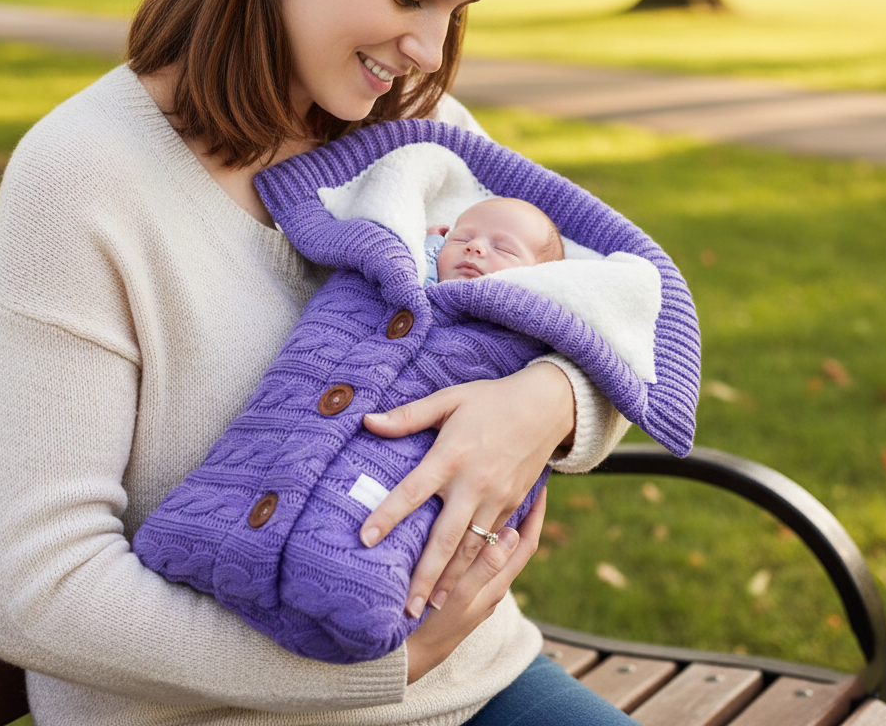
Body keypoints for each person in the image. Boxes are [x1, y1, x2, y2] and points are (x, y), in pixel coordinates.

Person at [0, 0, 661, 725]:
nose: (427, 47)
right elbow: (39, 594)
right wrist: (383, 669)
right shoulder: (87, 175)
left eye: (455, 11)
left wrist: (542, 403)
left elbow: (622, 311)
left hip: (476, 684)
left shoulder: (426, 140)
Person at [132, 124, 693, 666]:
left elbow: (618, 365)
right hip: (216, 693)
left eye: (504, 250)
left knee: (366, 536)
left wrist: (559, 394)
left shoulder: (524, 305)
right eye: (465, 237)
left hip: (484, 663)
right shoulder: (387, 255)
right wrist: (409, 664)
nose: (476, 251)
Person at [424, 196, 565, 286]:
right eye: (461, 239)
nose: (474, 245)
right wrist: (433, 244)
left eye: (502, 248)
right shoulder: (422, 288)